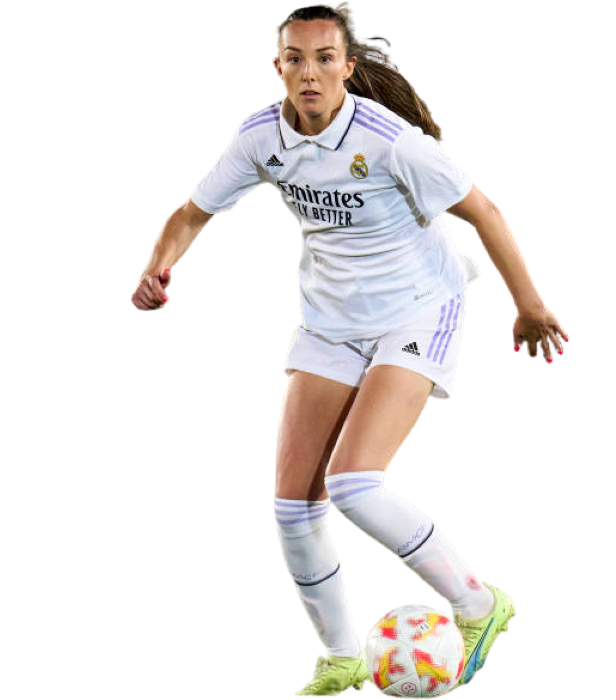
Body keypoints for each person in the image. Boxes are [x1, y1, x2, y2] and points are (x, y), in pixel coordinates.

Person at [131, 2, 570, 696]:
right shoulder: (259, 137)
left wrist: (529, 306)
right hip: (330, 320)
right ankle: (342, 657)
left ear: (347, 66)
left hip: (418, 307)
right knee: (292, 507)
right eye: (295, 59)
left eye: (324, 58)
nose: (309, 72)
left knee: (355, 486)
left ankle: (479, 604)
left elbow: (483, 211)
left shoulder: (389, 141)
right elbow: (192, 214)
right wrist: (157, 267)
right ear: (277, 66)